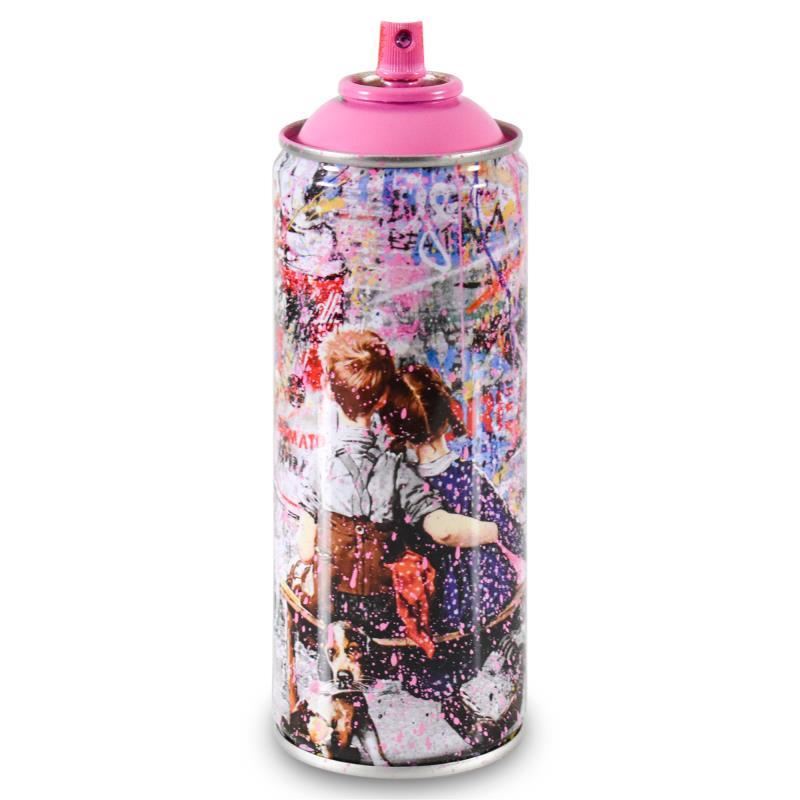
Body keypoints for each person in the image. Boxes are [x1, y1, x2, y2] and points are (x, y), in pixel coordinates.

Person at [295, 330, 499, 668]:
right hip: (382, 612)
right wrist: (495, 531)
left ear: (330, 392)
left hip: (331, 602)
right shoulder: (395, 470)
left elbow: (305, 550)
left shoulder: (319, 463)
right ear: (382, 401)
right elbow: (442, 529)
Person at [381, 363, 524, 751]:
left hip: (418, 602)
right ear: (446, 420)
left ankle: (444, 688)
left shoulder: (393, 479)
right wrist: (499, 532)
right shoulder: (464, 477)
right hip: (470, 600)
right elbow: (509, 531)